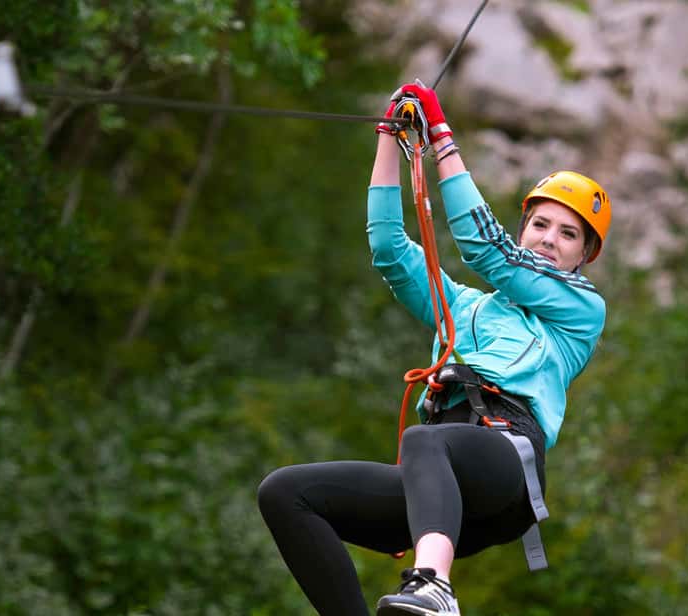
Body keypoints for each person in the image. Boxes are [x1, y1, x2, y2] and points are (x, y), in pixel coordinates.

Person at [257, 81, 611, 616]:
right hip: (441, 483)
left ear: (585, 256)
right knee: (285, 493)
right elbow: (390, 251)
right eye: (540, 224)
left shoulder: (580, 313)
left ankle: (434, 586)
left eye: (567, 234)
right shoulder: (463, 306)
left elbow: (484, 248)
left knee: (426, 441)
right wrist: (390, 139)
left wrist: (441, 139)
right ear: (524, 229)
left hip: (505, 457)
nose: (548, 239)